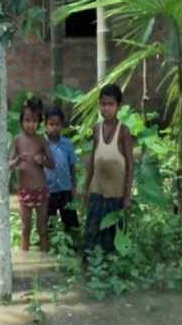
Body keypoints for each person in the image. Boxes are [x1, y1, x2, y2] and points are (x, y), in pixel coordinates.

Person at [82, 84, 135, 257]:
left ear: (118, 106)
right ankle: (91, 266)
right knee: (93, 232)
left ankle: (110, 268)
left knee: (112, 236)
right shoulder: (97, 129)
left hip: (116, 195)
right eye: (103, 104)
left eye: (110, 104)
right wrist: (86, 187)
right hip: (97, 191)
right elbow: (92, 160)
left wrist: (127, 196)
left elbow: (130, 165)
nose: (106, 108)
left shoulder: (124, 132)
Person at [10, 97, 56, 252]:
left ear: (39, 122)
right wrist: (17, 161)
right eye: (27, 120)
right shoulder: (17, 141)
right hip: (24, 191)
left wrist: (42, 160)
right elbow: (7, 165)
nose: (31, 124)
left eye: (35, 120)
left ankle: (44, 255)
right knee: (25, 228)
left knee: (43, 228)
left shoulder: (41, 140)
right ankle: (25, 256)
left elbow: (52, 163)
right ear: (22, 121)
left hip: (41, 190)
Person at [44, 106, 80, 234]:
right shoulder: (43, 144)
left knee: (70, 221)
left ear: (62, 125)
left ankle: (72, 244)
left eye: (57, 124)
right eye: (51, 124)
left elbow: (72, 165)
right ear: (46, 125)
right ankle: (50, 245)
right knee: (49, 222)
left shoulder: (67, 144)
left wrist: (74, 186)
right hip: (49, 189)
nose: (54, 127)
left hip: (66, 188)